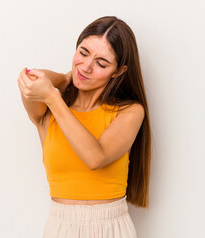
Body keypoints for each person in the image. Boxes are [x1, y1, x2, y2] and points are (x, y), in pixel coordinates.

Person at [17, 16, 152, 238]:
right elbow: (31, 80)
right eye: (83, 52)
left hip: (110, 228)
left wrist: (53, 96)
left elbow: (95, 158)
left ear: (118, 71)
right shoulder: (47, 113)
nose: (86, 67)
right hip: (60, 228)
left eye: (101, 63)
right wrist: (64, 79)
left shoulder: (130, 112)